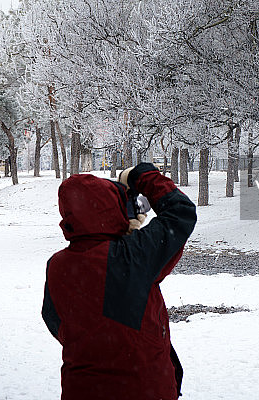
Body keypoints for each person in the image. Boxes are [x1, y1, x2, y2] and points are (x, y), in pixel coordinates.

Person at [42, 162, 197, 400]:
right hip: (145, 389)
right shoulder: (133, 255)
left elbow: (54, 319)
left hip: (81, 389)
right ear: (112, 208)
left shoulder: (57, 265)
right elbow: (180, 213)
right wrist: (143, 176)